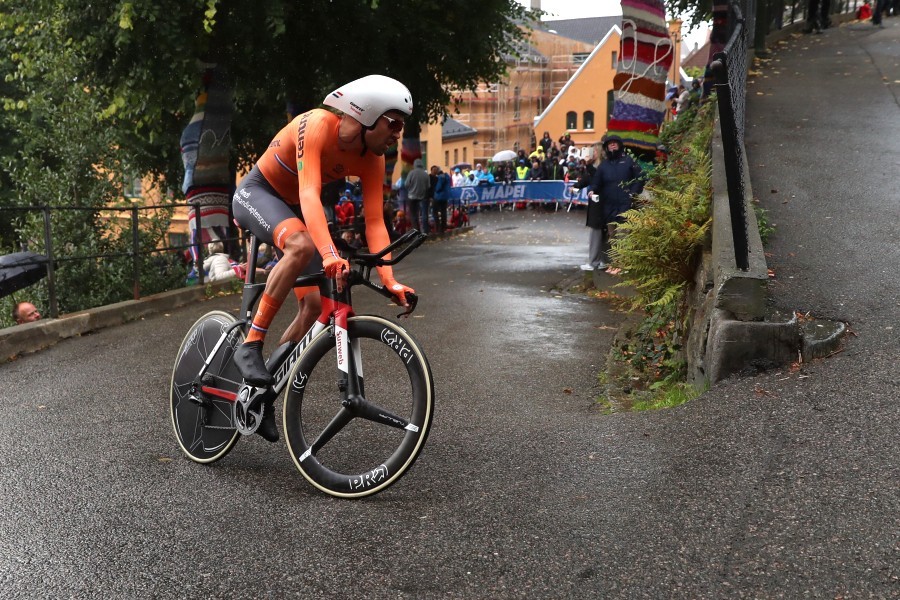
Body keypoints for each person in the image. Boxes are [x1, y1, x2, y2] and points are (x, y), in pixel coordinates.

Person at [230, 74, 416, 442]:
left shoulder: (372, 158)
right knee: (301, 246)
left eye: (402, 126)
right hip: (258, 192)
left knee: (314, 306)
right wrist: (328, 253)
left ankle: (260, 394)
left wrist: (390, 279)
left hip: (293, 206)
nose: (398, 134)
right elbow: (311, 194)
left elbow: (376, 222)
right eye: (393, 123)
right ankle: (250, 344)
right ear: (366, 116)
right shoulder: (317, 124)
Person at [580, 135, 645, 273]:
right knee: (613, 235)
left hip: (625, 203)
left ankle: (624, 266)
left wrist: (633, 193)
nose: (613, 145)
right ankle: (616, 264)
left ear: (620, 145)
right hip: (609, 205)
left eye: (615, 143)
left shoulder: (628, 161)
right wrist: (592, 190)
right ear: (607, 147)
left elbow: (641, 177)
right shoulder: (604, 165)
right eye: (610, 144)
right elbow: (597, 181)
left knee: (623, 234)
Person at [405, 158, 430, 234]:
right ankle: (425, 231)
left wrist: (411, 189)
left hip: (412, 196)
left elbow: (406, 184)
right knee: (424, 214)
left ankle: (416, 231)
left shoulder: (411, 173)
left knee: (413, 215)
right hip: (422, 197)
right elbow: (428, 186)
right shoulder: (425, 174)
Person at [431, 165, 451, 233]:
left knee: (434, 212)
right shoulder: (447, 176)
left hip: (438, 197)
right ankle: (444, 227)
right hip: (445, 196)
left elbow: (438, 187)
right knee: (443, 212)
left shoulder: (440, 177)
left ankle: (438, 227)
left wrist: (435, 189)